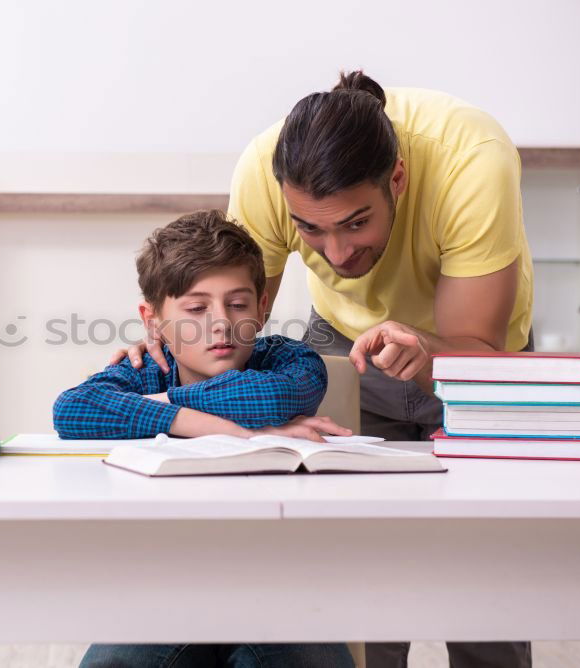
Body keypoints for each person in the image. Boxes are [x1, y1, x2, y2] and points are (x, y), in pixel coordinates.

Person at [113, 72, 534, 668]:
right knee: (361, 577)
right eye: (311, 229)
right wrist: (158, 353)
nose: (335, 256)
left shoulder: (473, 159)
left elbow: (475, 343)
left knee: (485, 586)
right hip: (343, 343)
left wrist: (424, 348)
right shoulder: (264, 168)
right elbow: (231, 328)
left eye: (356, 223)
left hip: (472, 353)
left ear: (398, 180)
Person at [54, 209, 355, 668]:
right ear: (153, 321)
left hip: (284, 587)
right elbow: (72, 410)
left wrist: (158, 407)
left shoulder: (289, 360)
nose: (221, 324)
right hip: (167, 586)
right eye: (196, 309)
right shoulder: (143, 368)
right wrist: (205, 425)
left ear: (262, 306)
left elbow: (268, 400)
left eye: (238, 304)